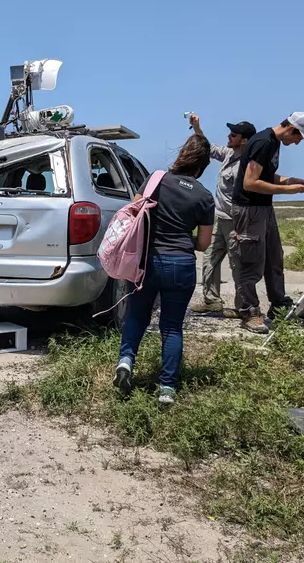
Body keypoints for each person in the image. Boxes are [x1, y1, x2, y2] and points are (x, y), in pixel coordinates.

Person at [113, 134, 215, 406]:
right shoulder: (205, 196)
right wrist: (184, 237)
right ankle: (167, 389)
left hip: (148, 262)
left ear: (182, 154)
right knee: (171, 328)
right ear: (202, 165)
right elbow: (203, 244)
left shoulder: (155, 180)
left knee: (137, 316)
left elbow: (132, 213)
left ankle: (125, 362)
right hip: (181, 265)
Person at [230, 112, 304, 334]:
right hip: (249, 209)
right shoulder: (263, 142)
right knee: (250, 262)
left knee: (274, 258)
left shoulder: (273, 142)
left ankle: (279, 307)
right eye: (298, 138)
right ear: (291, 129)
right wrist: (288, 190)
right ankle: (249, 312)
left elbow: (266, 176)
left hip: (264, 208)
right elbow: (250, 183)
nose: (297, 143)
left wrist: (289, 180)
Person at [187, 114, 256, 317]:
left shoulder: (248, 164)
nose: (229, 136)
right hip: (220, 219)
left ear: (244, 140)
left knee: (238, 265)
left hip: (236, 222)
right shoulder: (228, 154)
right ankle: (212, 301)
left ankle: (243, 307)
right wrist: (197, 127)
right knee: (209, 259)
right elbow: (207, 148)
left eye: (234, 134)